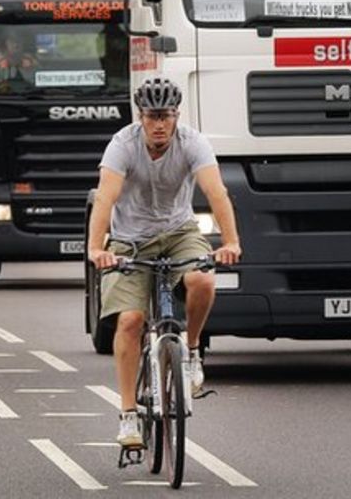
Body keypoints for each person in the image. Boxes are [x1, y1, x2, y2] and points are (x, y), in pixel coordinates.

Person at [87, 77, 241, 448]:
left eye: (166, 116)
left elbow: (216, 192)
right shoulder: (122, 145)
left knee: (202, 280)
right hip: (130, 239)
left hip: (178, 230)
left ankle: (189, 352)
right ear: (140, 117)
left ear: (177, 116)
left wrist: (231, 240)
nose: (159, 124)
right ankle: (127, 416)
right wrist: (97, 249)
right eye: (152, 116)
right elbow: (105, 198)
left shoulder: (193, 143)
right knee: (130, 320)